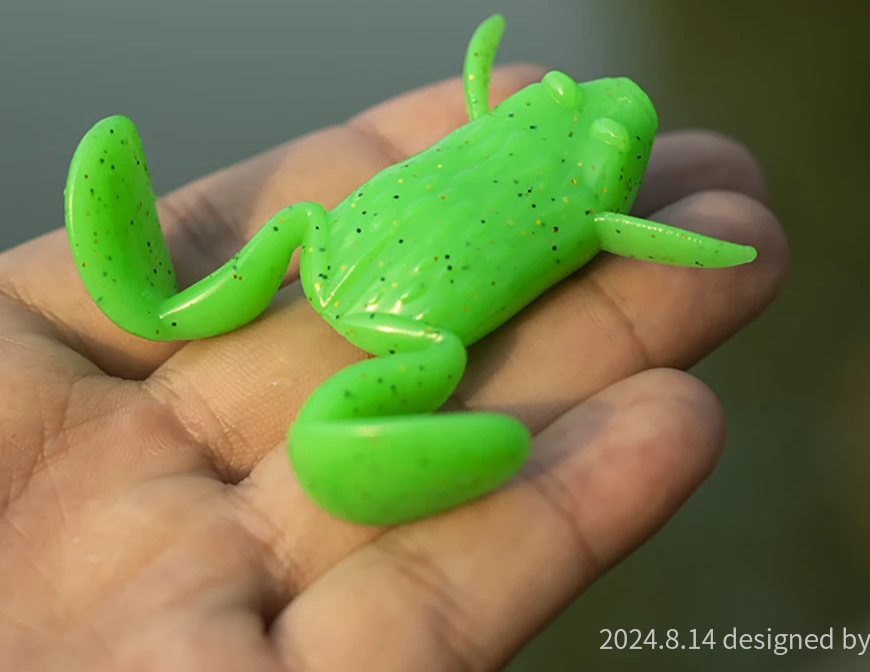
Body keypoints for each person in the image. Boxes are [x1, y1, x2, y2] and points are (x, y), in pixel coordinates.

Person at [0, 65, 788, 670]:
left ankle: (183, 324)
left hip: (341, 264)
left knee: (302, 227)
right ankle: (199, 337)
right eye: (554, 95)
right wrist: (714, 251)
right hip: (407, 320)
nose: (581, 106)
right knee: (424, 343)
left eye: (608, 142)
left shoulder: (550, 179)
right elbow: (677, 244)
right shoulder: (594, 213)